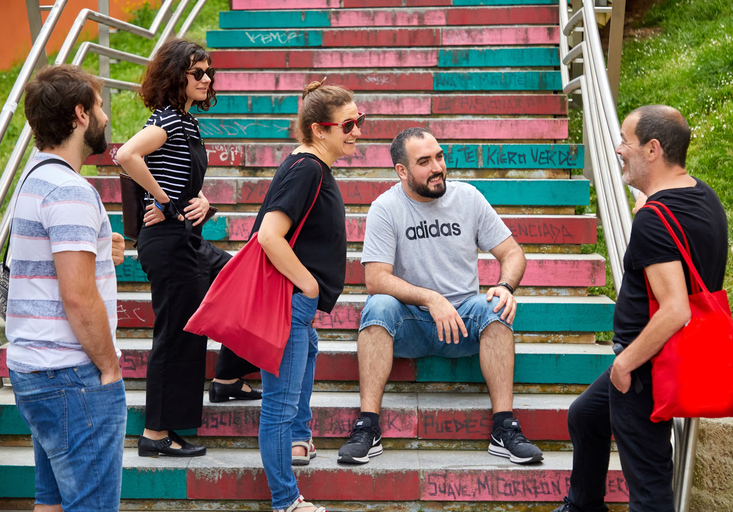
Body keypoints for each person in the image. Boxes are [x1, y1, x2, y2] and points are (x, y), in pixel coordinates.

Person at [552, 105, 728, 512]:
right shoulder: (701, 197)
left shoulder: (655, 219)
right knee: (586, 416)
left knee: (648, 494)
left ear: (652, 149)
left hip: (647, 368)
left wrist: (625, 363)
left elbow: (674, 309)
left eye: (625, 141)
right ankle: (583, 505)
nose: (617, 149)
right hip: (681, 356)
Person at [337, 127, 543, 466]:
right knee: (377, 306)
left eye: (439, 156)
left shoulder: (467, 198)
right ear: (401, 171)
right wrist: (431, 299)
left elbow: (513, 254)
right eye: (424, 161)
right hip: (411, 324)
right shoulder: (386, 208)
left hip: (462, 321)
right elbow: (375, 279)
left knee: (494, 306)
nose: (437, 167)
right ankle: (367, 427)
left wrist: (505, 287)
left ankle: (504, 429)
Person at [115, 39, 260, 458]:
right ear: (176, 76)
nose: (207, 78)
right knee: (176, 336)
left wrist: (202, 202)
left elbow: (180, 179)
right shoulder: (168, 121)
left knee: (239, 281)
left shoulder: (186, 123)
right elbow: (126, 154)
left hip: (187, 239)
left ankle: (229, 377)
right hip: (169, 244)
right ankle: (157, 434)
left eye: (209, 72)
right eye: (198, 72)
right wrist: (163, 201)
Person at [6, 64, 126, 511]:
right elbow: (77, 296)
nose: (105, 117)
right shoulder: (70, 190)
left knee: (51, 503)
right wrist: (109, 368)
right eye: (98, 106)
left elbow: (47, 262)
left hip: (35, 370)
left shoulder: (34, 180)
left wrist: (97, 247)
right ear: (79, 115)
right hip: (72, 376)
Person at [253, 79, 356, 512]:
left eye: (359, 121)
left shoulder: (308, 164)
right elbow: (268, 236)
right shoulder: (308, 169)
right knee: (277, 407)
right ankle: (286, 501)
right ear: (320, 129)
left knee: (294, 392)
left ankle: (301, 435)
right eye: (348, 124)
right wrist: (309, 285)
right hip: (292, 301)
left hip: (298, 308)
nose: (356, 131)